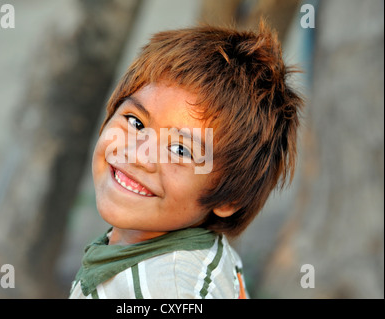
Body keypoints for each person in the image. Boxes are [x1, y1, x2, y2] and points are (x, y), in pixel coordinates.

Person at [69, 21, 304, 299]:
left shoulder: (169, 290)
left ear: (229, 198)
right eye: (135, 122)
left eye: (180, 150)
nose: (138, 154)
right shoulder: (163, 256)